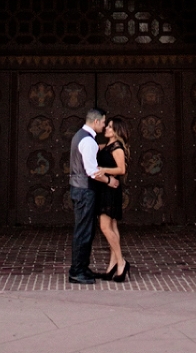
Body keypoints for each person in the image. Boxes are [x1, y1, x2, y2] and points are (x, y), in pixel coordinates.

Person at [68, 108, 119, 285]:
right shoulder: (88, 141)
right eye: (104, 122)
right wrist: (109, 180)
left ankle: (82, 267)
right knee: (83, 231)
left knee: (85, 230)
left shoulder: (80, 136)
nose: (104, 125)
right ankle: (77, 271)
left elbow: (92, 153)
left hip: (79, 189)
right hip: (84, 190)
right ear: (96, 122)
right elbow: (92, 172)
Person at [95, 116, 131, 282]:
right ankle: (112, 266)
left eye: (110, 127)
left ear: (116, 130)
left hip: (110, 190)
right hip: (105, 188)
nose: (107, 129)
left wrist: (104, 169)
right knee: (112, 225)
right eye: (107, 126)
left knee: (104, 227)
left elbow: (121, 169)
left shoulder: (117, 147)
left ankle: (121, 262)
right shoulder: (107, 145)